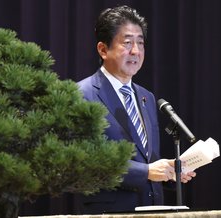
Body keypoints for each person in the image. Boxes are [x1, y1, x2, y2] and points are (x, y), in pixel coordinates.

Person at [76, 5, 196, 213]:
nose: (136, 51)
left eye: (140, 43)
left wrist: (169, 171)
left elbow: (148, 159)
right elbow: (85, 161)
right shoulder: (82, 94)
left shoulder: (146, 97)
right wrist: (146, 171)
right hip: (109, 213)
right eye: (127, 42)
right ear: (103, 49)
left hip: (154, 210)